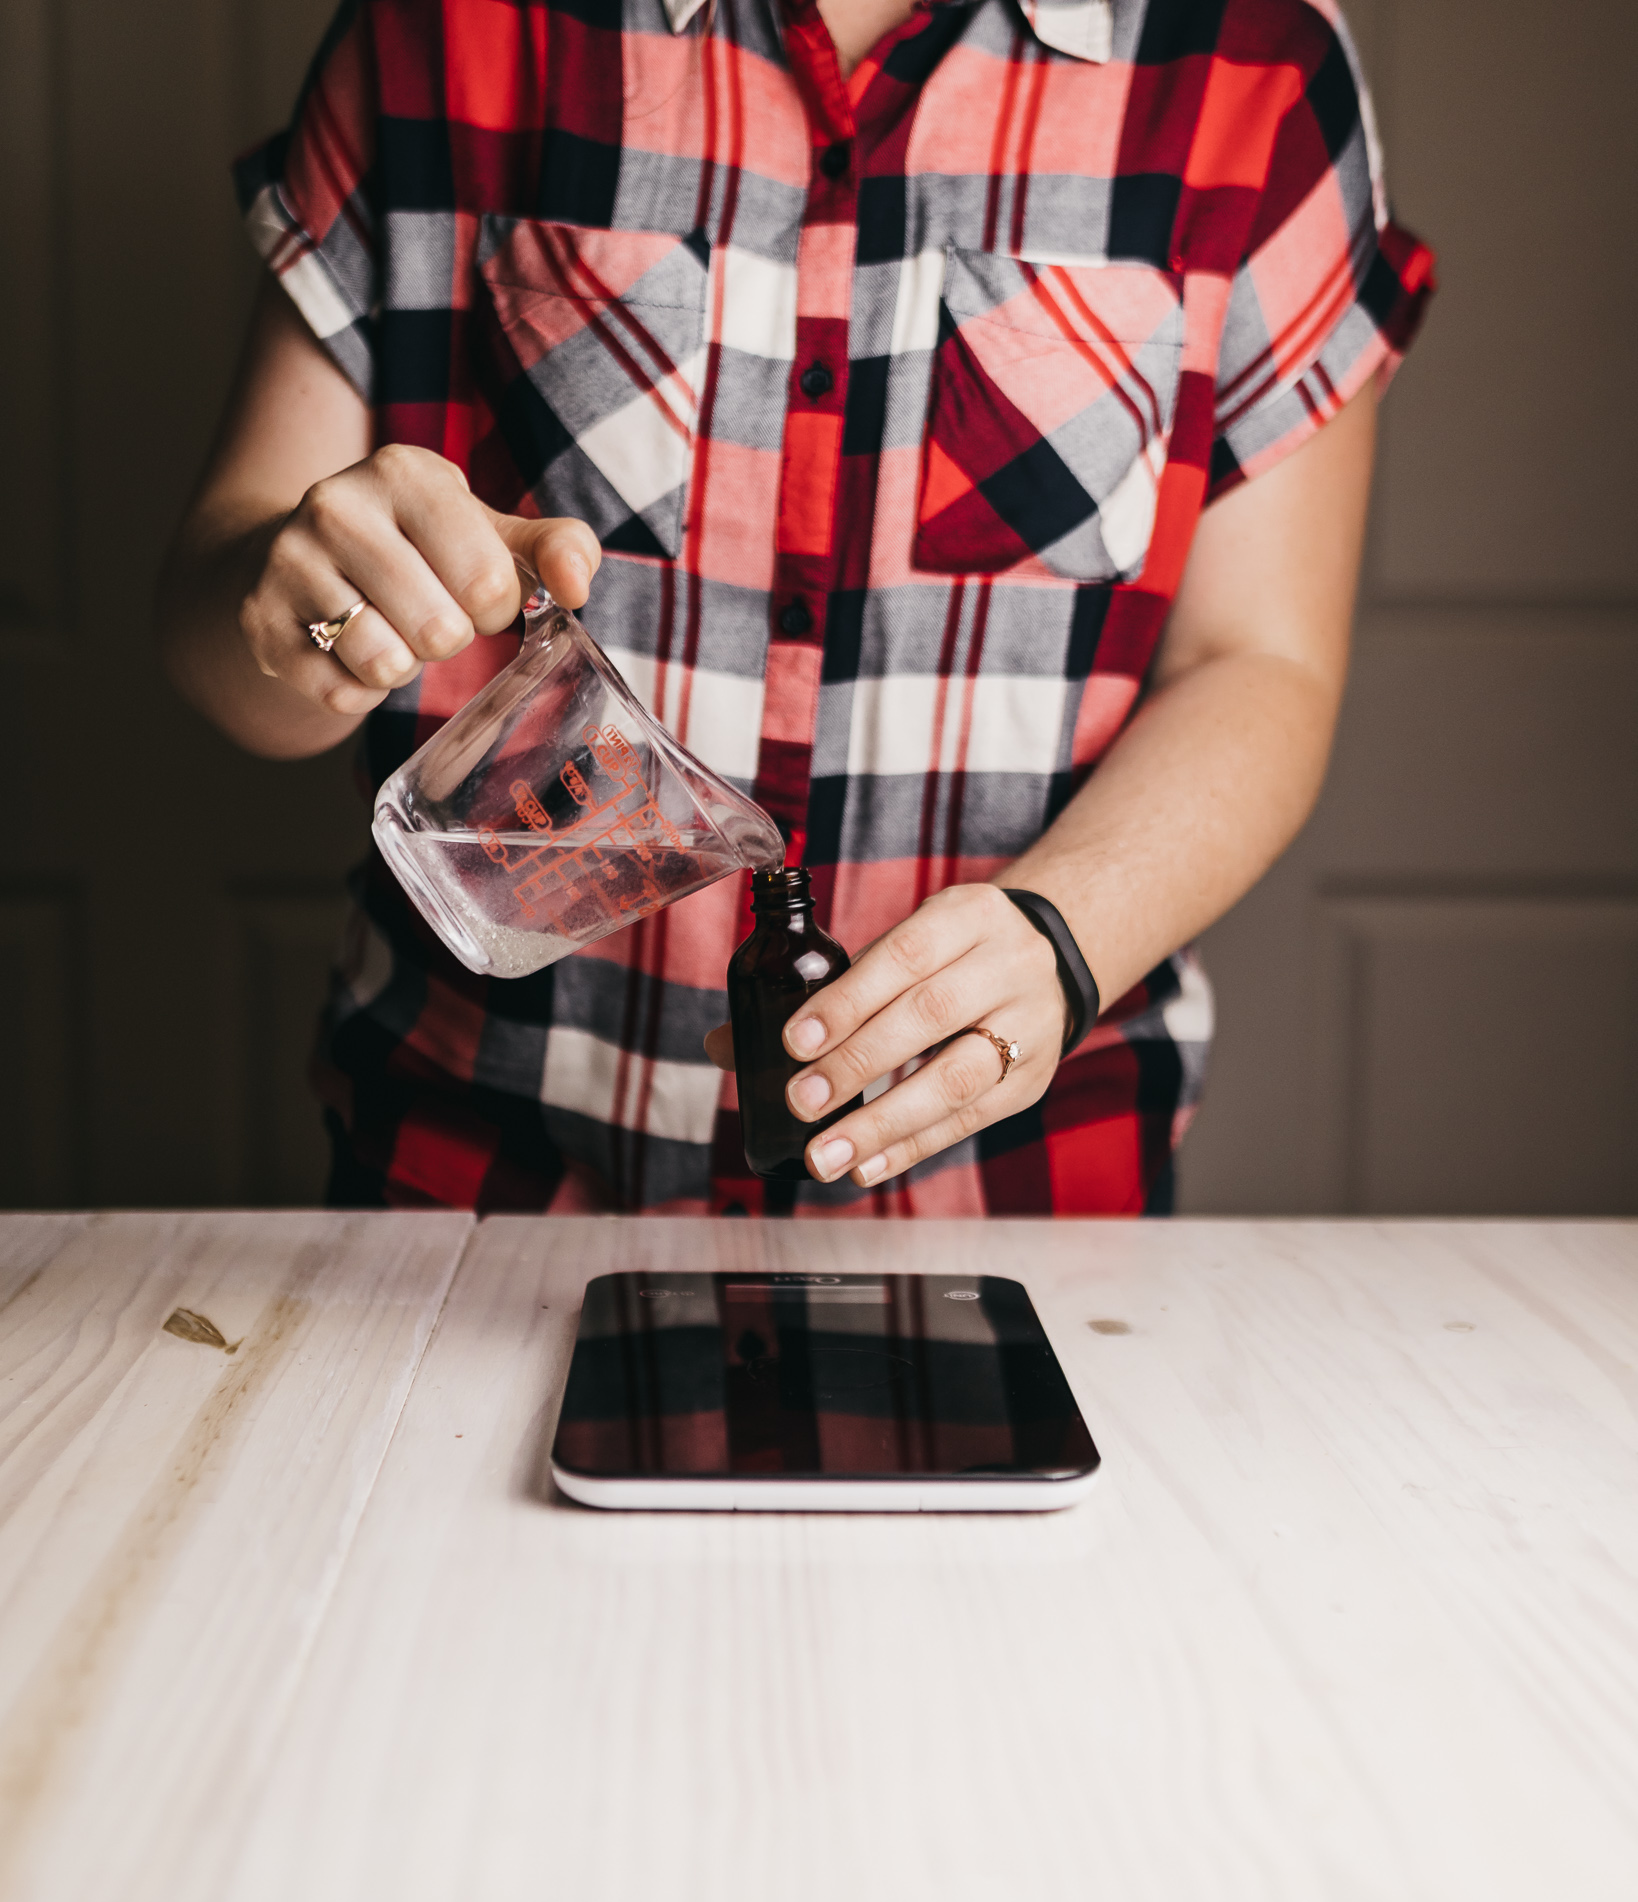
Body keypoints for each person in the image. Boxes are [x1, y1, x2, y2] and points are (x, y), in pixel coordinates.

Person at [158, 0, 1432, 1217]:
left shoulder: (1254, 63)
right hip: (476, 1183)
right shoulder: (444, 32)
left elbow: (1259, 661)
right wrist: (302, 613)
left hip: (1024, 1205)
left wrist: (1062, 934)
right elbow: (220, 639)